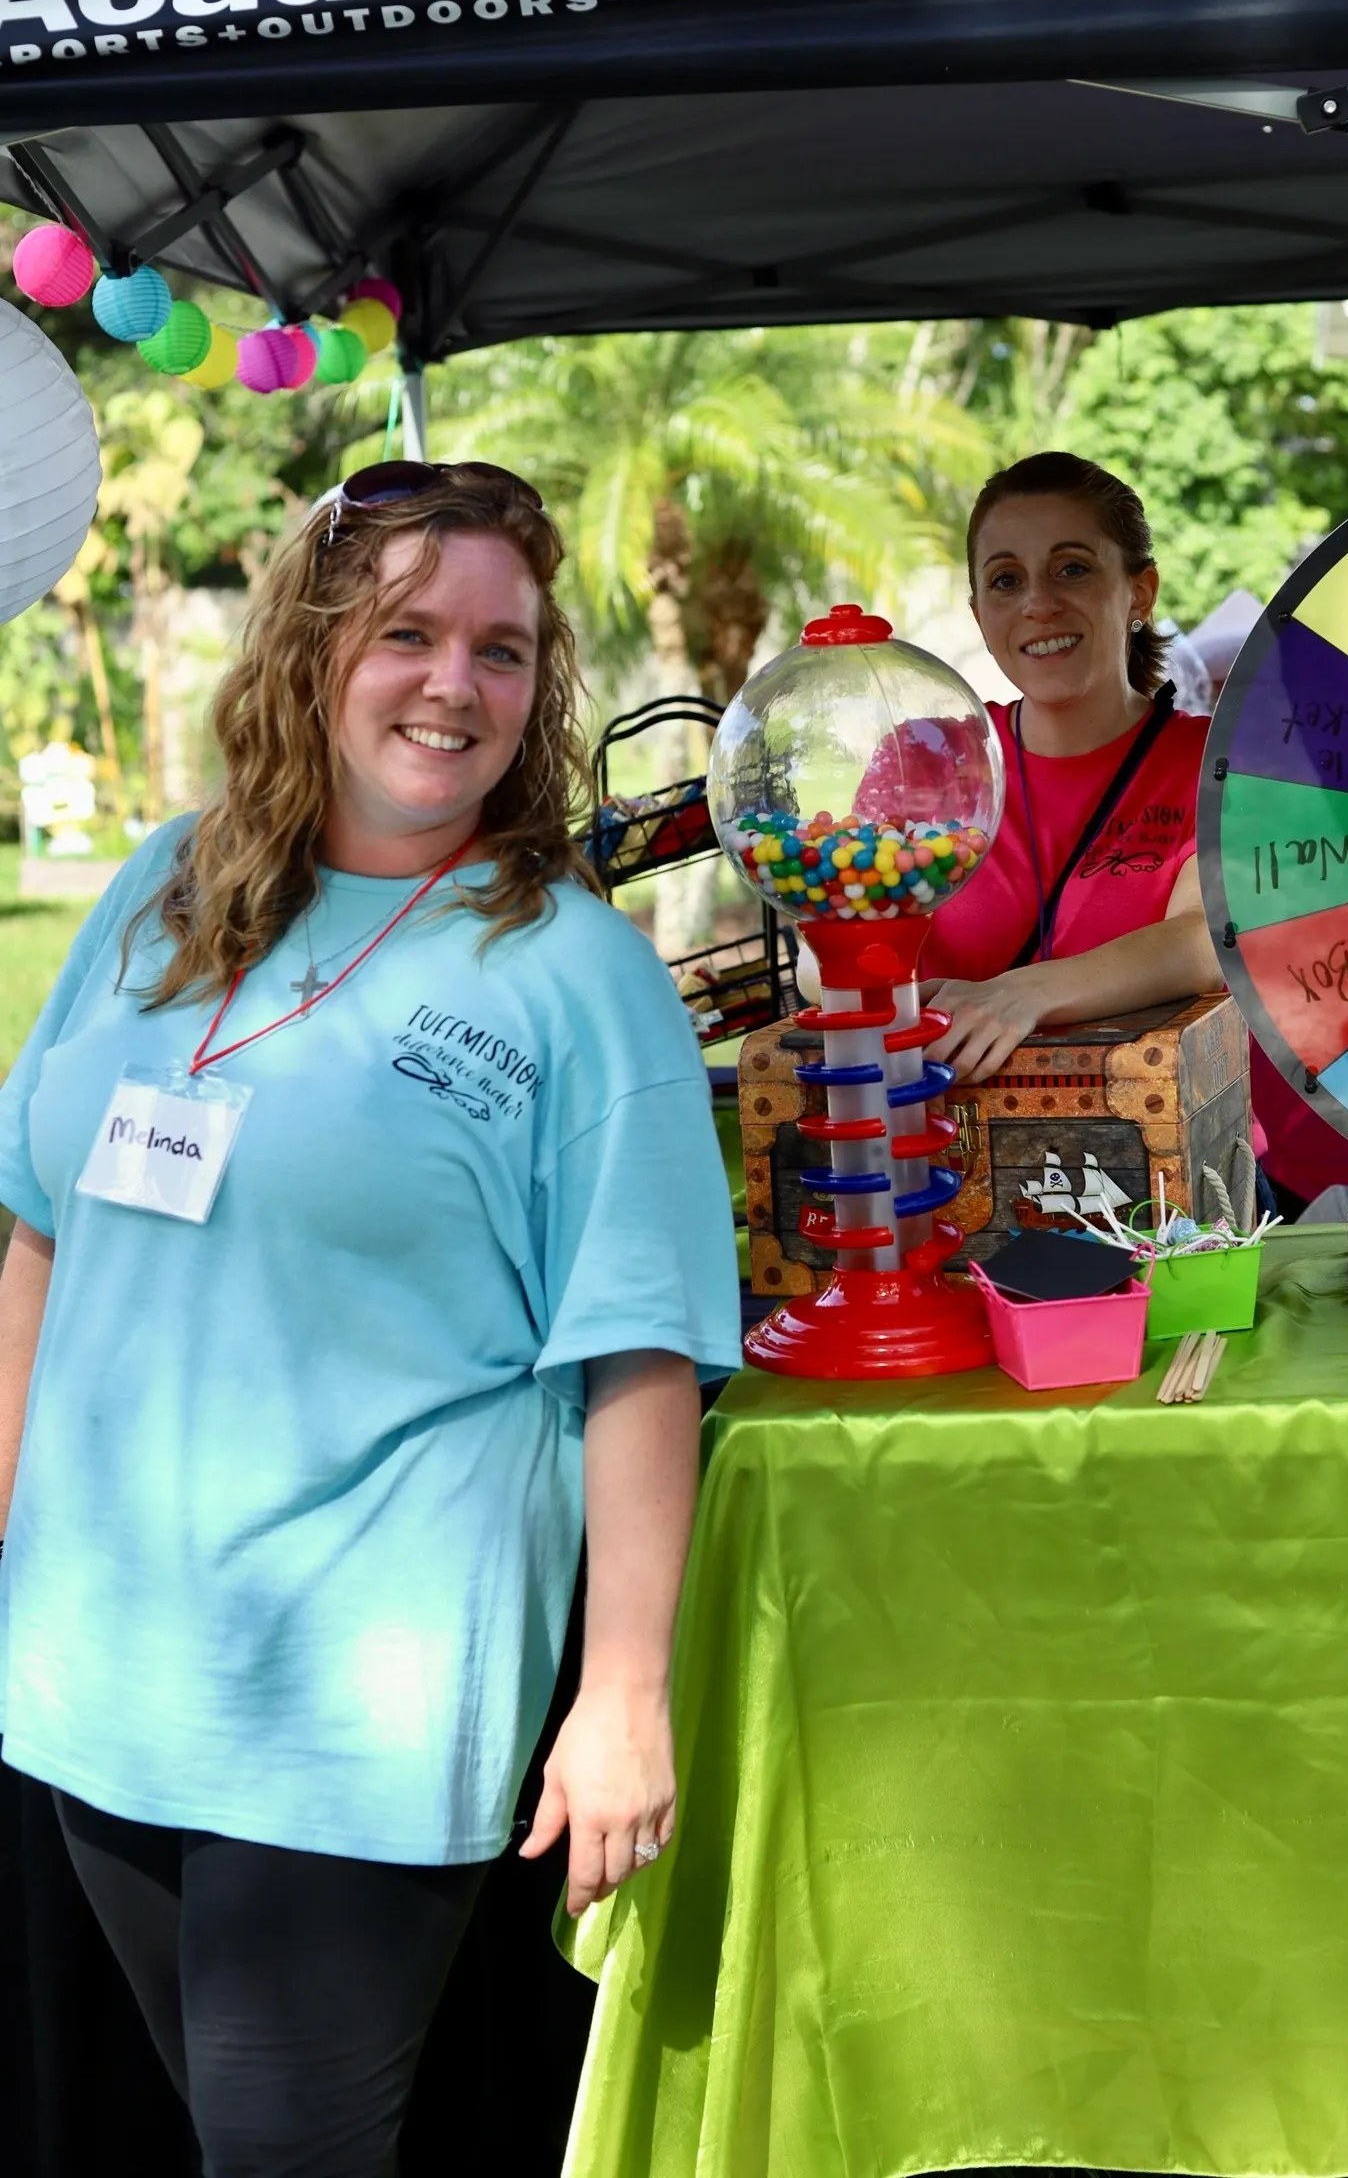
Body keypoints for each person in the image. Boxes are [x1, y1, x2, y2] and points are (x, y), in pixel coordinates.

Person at [0, 461, 740, 2177]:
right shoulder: (159, 888)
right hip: (103, 1663)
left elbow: (637, 1350)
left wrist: (623, 1692)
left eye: (502, 649)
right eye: (408, 633)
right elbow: (35, 1223)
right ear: (312, 647)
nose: (453, 685)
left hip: (359, 1698)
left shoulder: (573, 976)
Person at [921, 450, 1223, 1081]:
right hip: (941, 1136)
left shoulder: (1218, 760)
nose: (1039, 603)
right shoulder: (928, 759)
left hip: (1162, 1139)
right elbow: (834, 951)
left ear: (1140, 592)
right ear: (979, 614)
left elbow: (1208, 937)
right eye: (1006, 580)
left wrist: (1024, 993)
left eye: (1072, 569)